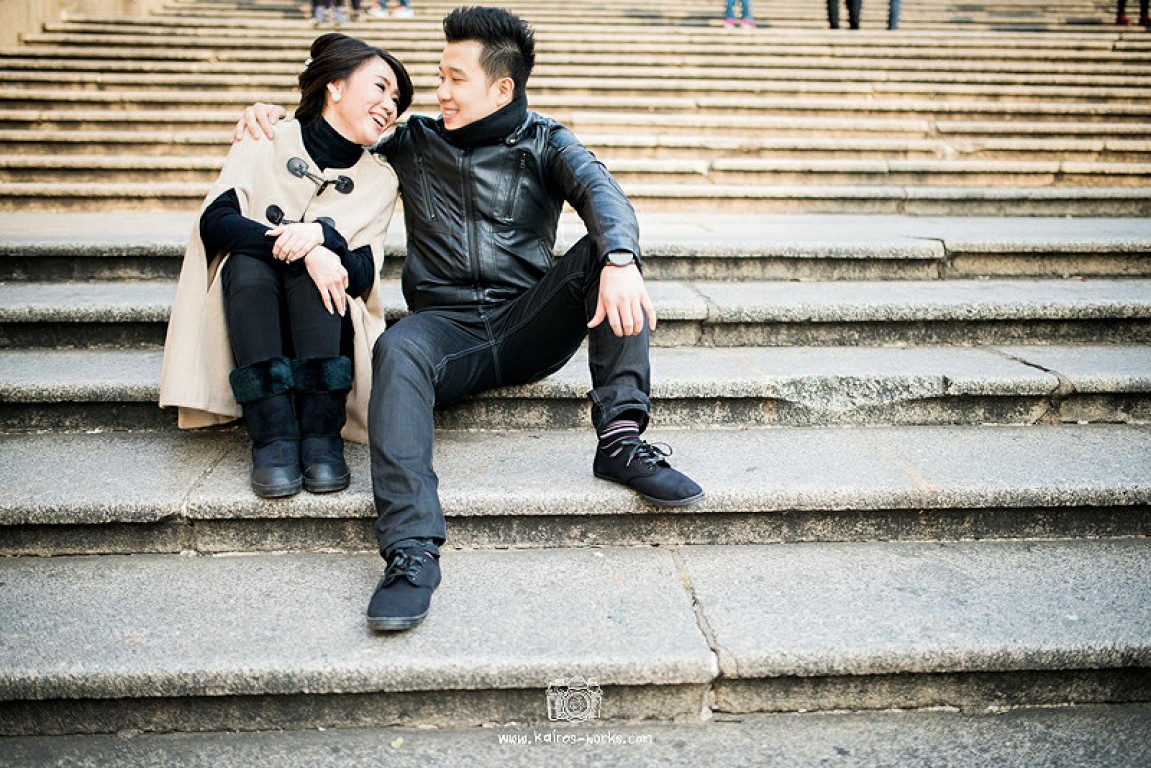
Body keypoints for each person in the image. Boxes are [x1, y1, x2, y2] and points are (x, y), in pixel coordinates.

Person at [235, 6, 705, 632]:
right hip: (445, 332)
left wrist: (621, 257)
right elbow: (336, 131)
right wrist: (277, 120)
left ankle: (620, 439)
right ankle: (411, 551)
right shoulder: (413, 141)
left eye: (455, 78)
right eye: (440, 76)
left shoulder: (546, 141)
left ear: (501, 88)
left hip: (527, 323)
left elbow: (602, 191)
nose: (440, 91)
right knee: (398, 348)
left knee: (606, 253)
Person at [161, 33, 414, 499]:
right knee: (247, 263)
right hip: (252, 305)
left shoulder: (380, 179)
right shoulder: (266, 136)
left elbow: (363, 273)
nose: (389, 105)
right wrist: (306, 247)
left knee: (325, 274)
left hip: (326, 324)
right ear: (335, 85)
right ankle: (272, 435)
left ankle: (321, 434)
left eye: (397, 100)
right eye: (380, 87)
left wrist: (325, 240)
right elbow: (216, 221)